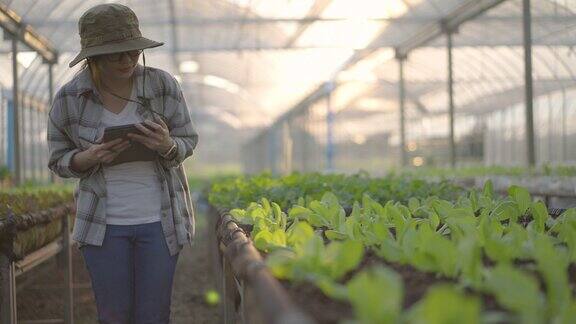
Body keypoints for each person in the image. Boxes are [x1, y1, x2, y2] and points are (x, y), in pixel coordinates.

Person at [46, 3, 199, 323]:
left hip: (160, 222)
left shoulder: (162, 86)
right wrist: (86, 158)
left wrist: (167, 145)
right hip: (102, 226)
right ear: (93, 57)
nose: (128, 60)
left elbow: (188, 140)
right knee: (113, 314)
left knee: (153, 314)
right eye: (117, 54)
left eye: (133, 51)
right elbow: (58, 159)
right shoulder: (68, 99)